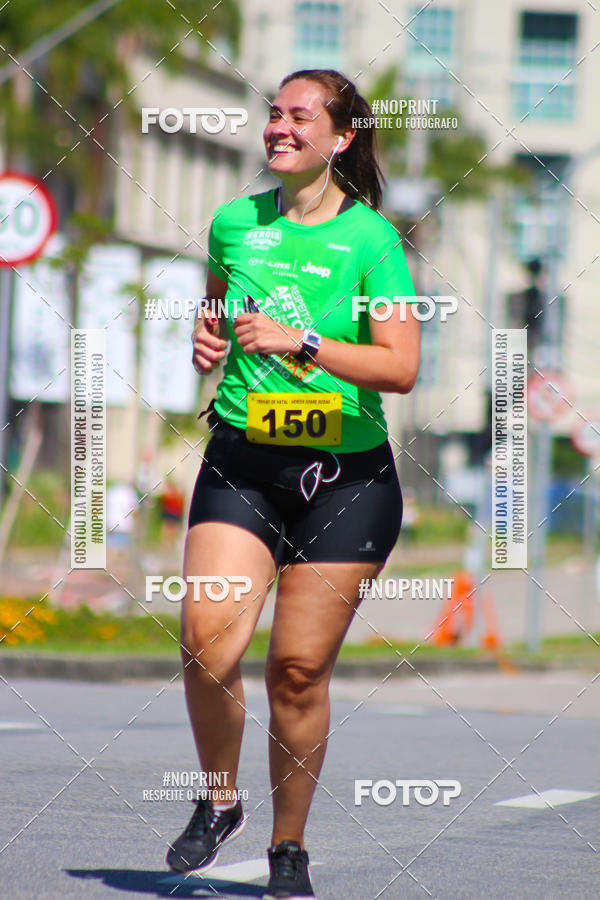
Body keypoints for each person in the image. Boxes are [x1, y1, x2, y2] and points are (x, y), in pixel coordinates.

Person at [166, 68, 421, 899]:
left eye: (298, 116)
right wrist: (209, 340)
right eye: (274, 113)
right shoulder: (235, 222)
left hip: (346, 482)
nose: (278, 127)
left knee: (296, 673)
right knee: (206, 639)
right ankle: (219, 799)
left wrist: (300, 341)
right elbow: (216, 303)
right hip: (243, 462)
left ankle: (288, 851)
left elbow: (401, 367)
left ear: (340, 139)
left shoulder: (372, 240)